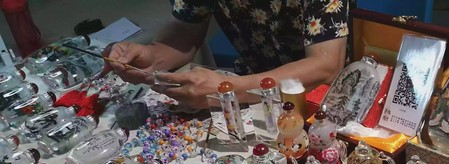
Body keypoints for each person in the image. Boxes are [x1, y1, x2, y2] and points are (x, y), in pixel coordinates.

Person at [106, 0, 353, 110]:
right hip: (255, 92)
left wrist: (229, 89)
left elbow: (325, 66)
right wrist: (152, 55)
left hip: (323, 100)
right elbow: (186, 28)